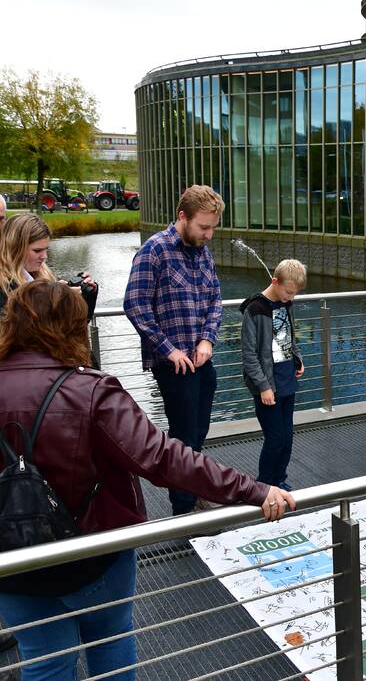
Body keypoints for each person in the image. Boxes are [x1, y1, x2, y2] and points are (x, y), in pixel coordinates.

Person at [0, 281, 295, 681]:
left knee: (44, 659)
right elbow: (162, 458)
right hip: (94, 550)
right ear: (72, 328)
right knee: (110, 640)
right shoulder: (90, 391)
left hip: (13, 561)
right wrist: (253, 489)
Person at [123, 185, 224, 516]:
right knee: (183, 438)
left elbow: (214, 299)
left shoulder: (202, 252)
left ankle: (193, 493)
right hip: (173, 364)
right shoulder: (154, 251)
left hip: (201, 358)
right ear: (183, 216)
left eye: (212, 228)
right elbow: (135, 305)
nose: (209, 234)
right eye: (203, 227)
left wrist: (208, 339)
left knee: (198, 432)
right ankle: (183, 509)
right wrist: (168, 350)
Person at [241, 259, 307, 491]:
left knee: (287, 439)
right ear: (275, 281)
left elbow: (290, 336)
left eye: (295, 294)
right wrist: (263, 386)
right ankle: (264, 485)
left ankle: (279, 480)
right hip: (268, 386)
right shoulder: (254, 309)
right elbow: (249, 355)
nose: (291, 297)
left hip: (287, 378)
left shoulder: (286, 303)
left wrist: (297, 358)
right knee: (275, 439)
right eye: (288, 292)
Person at [0, 213, 97, 315]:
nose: (44, 256)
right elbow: (10, 326)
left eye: (46, 250)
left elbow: (71, 327)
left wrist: (85, 296)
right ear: (14, 248)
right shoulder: (3, 287)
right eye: (37, 251)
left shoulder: (45, 277)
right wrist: (49, 301)